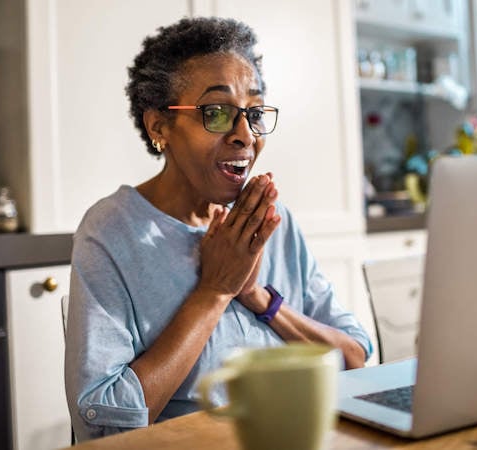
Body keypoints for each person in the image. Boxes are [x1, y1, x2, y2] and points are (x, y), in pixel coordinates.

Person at [64, 16, 372, 441]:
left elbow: (356, 358)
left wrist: (259, 298)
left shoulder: (269, 218)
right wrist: (215, 291)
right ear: (159, 127)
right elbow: (103, 423)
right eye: (217, 112)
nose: (245, 135)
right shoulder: (112, 231)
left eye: (254, 113)